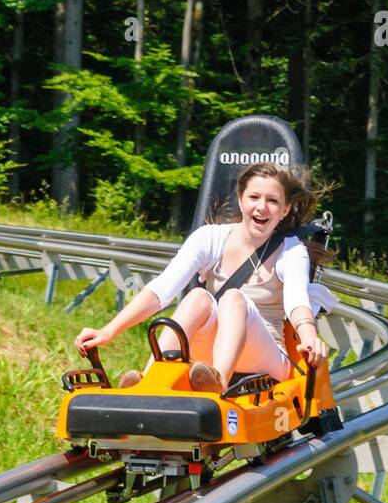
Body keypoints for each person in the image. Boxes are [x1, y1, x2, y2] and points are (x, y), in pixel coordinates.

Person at [74, 162, 337, 392]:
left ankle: (218, 382)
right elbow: (162, 290)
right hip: (213, 347)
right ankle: (152, 381)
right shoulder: (210, 237)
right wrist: (108, 331)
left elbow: (296, 303)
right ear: (241, 199)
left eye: (272, 201)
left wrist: (310, 337)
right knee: (197, 297)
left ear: (284, 209)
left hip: (264, 355)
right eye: (254, 197)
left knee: (234, 298)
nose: (261, 207)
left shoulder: (291, 251)